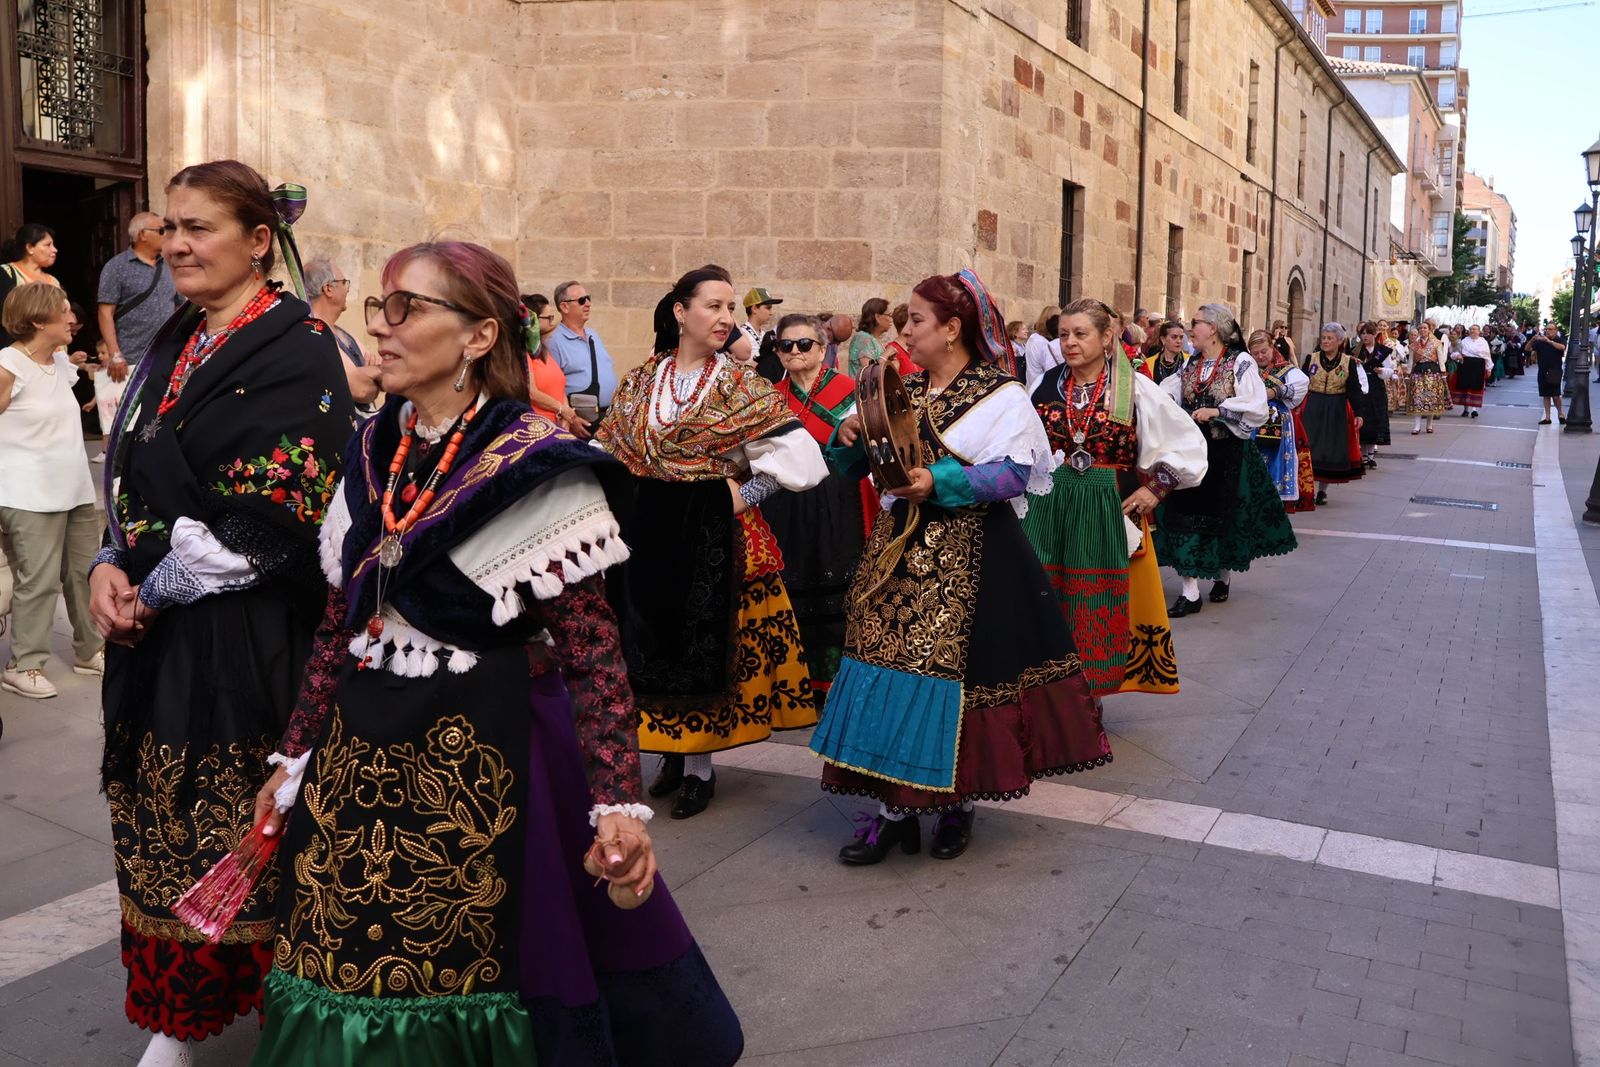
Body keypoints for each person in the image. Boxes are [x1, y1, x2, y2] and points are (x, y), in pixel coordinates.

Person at [247, 240, 743, 1067]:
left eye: (408, 308)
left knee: (483, 949)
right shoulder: (370, 449)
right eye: (380, 306)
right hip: (361, 756)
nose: (384, 327)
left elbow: (590, 648)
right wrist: (294, 753)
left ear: (478, 338)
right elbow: (339, 623)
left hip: (483, 751)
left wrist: (617, 799)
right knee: (349, 946)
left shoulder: (534, 465)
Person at [87, 160, 355, 1067]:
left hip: (245, 633)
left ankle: (257, 1003)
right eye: (171, 226)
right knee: (155, 816)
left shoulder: (297, 347)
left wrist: (146, 591)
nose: (179, 243)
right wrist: (105, 563)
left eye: (200, 227)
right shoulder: (173, 335)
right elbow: (128, 466)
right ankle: (174, 1011)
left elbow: (265, 520)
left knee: (232, 818)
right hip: (156, 630)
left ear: (256, 240)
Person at [810, 270, 1109, 864]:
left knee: (961, 683)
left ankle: (956, 807)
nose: (906, 328)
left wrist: (937, 480)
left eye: (917, 319)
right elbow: (851, 465)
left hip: (972, 558)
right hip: (898, 554)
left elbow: (1014, 474)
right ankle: (894, 811)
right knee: (888, 668)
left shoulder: (1000, 395)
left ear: (952, 329)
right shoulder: (902, 389)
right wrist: (847, 435)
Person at [596, 265, 827, 820]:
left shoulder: (739, 385)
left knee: (705, 644)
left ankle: (700, 768)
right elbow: (609, 450)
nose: (727, 318)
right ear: (680, 311)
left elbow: (801, 460)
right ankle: (670, 755)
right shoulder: (642, 380)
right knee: (649, 641)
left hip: (712, 535)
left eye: (731, 308)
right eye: (715, 306)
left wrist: (742, 496)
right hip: (647, 534)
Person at [1021, 298, 1206, 697]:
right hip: (1050, 505)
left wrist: (1153, 488)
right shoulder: (1045, 384)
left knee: (1097, 602)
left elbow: (1188, 443)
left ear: (1107, 337)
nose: (1069, 342)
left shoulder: (1134, 387)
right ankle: (1051, 693)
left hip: (1108, 507)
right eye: (1063, 334)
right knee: (1047, 599)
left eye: (1080, 334)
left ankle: (1090, 694)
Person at [759, 314, 872, 708]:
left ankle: (833, 680)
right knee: (790, 575)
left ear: (822, 350)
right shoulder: (771, 396)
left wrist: (850, 432)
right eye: (785, 346)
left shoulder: (849, 389)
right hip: (783, 499)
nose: (794, 352)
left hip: (834, 497)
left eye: (803, 344)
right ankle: (792, 679)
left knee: (833, 573)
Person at [1154, 303, 1296, 616]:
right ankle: (1190, 592)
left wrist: (1218, 411)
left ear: (1214, 328)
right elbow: (1169, 395)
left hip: (1228, 451)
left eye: (1196, 323)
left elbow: (1256, 406)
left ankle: (1223, 575)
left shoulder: (1239, 361)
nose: (1192, 329)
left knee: (1225, 518)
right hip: (1192, 452)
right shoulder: (1190, 364)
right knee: (1180, 516)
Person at [0, 283, 104, 699]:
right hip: (28, 492)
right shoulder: (9, 363)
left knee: (84, 575)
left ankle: (90, 651)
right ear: (39, 320)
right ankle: (23, 665)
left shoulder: (59, 361)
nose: (72, 319)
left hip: (75, 488)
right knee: (39, 581)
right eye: (64, 312)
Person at [97, 213, 179, 383]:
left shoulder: (171, 265)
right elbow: (105, 313)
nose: (167, 235)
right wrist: (115, 355)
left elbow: (179, 306)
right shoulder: (116, 267)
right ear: (143, 235)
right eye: (161, 230)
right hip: (131, 361)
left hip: (167, 356)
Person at [304, 255, 382, 417]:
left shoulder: (342, 333)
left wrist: (372, 373)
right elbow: (361, 389)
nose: (347, 289)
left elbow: (379, 368)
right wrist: (376, 374)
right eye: (344, 283)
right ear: (328, 289)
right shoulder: (314, 332)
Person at [1248, 328, 1315, 513]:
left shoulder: (1286, 369)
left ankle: (1276, 504)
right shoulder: (1247, 369)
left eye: (1264, 352)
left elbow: (1301, 386)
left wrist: (1277, 391)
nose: (1260, 356)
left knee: (1275, 461)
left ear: (1272, 348)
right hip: (1251, 422)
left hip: (1277, 424)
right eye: (1255, 353)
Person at [1301, 322, 1368, 505]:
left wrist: (1359, 414)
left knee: (1328, 450)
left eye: (1330, 338)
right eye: (1323, 337)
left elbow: (1354, 390)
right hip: (1313, 405)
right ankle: (1306, 487)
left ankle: (1322, 491)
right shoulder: (1311, 359)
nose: (1325, 341)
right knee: (1309, 446)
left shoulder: (1348, 363)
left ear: (1340, 340)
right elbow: (1300, 382)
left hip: (1336, 407)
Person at [545, 280, 617, 427]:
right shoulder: (554, 340)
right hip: (580, 423)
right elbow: (550, 386)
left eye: (588, 298)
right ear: (564, 306)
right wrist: (571, 419)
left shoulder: (593, 335)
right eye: (582, 300)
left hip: (607, 420)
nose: (588, 303)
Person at [519, 292, 590, 436]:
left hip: (557, 428)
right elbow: (532, 392)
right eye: (548, 318)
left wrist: (566, 415)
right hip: (537, 429)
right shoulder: (523, 353)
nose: (552, 323)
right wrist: (562, 410)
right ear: (534, 320)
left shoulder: (545, 352)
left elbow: (560, 385)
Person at [0, 225, 61, 345]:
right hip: (19, 352)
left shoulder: (53, 282)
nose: (55, 250)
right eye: (48, 245)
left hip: (52, 353)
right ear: (29, 248)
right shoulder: (6, 274)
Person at [1353, 322, 1394, 467]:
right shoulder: (1356, 351)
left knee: (1374, 421)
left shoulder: (1383, 351)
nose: (1365, 336)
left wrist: (1381, 371)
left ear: (1374, 334)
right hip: (1361, 388)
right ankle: (1363, 455)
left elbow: (1390, 370)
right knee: (1364, 420)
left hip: (1376, 387)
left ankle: (1370, 455)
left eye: (1368, 333)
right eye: (1363, 333)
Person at [1405, 317, 1450, 434]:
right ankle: (1417, 426)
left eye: (1425, 328)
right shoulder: (1414, 345)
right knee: (1417, 398)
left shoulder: (1437, 343)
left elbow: (1441, 359)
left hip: (1433, 372)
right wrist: (1408, 373)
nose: (1422, 330)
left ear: (1430, 330)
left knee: (1430, 398)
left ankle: (1429, 424)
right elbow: (1410, 361)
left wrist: (1443, 373)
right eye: (1421, 328)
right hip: (1418, 371)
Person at [845, 297, 891, 378]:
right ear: (877, 317)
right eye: (888, 315)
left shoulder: (873, 339)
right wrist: (886, 354)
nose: (891, 319)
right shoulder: (862, 338)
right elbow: (869, 373)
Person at [1453, 324, 1491, 418]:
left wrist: (1489, 368)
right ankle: (1465, 410)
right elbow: (1456, 352)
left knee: (1476, 387)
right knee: (1465, 387)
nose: (1473, 331)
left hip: (1478, 366)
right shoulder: (1464, 341)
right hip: (1466, 365)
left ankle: (1474, 409)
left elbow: (1487, 356)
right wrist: (1458, 356)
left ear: (1479, 331)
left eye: (1475, 329)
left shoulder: (1483, 342)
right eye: (1471, 329)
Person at [1532, 323, 1567, 425]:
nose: (1548, 331)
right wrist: (1533, 339)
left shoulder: (1559, 339)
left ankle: (1560, 414)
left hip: (1555, 371)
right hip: (1543, 370)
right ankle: (1547, 418)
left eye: (1551, 329)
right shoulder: (1541, 342)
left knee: (1556, 395)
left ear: (1556, 330)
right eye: (1547, 329)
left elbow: (1562, 347)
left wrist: (1550, 341)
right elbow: (1528, 348)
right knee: (1545, 395)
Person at [1022, 304, 1062, 392]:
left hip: (1033, 386)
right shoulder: (1041, 342)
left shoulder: (1035, 339)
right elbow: (1051, 369)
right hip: (1041, 388)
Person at [739, 286, 782, 351]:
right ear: (754, 309)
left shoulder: (763, 334)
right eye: (768, 308)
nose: (771, 313)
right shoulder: (742, 334)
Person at [1149, 320, 1187, 384]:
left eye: (1181, 337)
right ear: (1163, 339)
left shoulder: (1190, 361)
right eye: (1174, 337)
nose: (1179, 341)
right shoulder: (1150, 363)